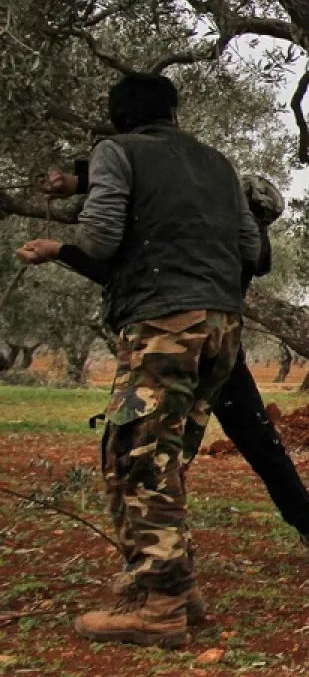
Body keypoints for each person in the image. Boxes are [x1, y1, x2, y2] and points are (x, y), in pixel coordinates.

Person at [16, 73, 256, 648]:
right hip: (223, 326)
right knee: (165, 457)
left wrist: (58, 249)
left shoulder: (115, 151)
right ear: (174, 113)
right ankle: (177, 585)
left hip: (163, 324)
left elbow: (98, 239)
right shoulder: (220, 164)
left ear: (117, 117)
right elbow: (252, 251)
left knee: (136, 460)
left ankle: (162, 607)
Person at [37, 165, 309, 572]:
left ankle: (161, 563)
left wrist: (62, 248)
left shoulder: (208, 240)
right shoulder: (243, 243)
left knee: (154, 451)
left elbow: (117, 267)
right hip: (218, 353)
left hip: (177, 349)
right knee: (234, 446)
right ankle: (301, 534)